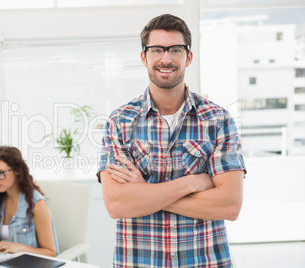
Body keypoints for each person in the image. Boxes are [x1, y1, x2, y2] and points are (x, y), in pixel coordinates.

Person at [97, 14, 246, 267]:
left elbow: (230, 205)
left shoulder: (218, 119)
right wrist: (194, 182)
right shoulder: (119, 122)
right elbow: (117, 204)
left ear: (188, 57)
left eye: (175, 50)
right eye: (157, 50)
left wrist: (144, 193)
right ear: (144, 57)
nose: (166, 59)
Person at [0, 146, 59, 257]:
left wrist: (20, 248)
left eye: (1, 173)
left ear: (17, 170)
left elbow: (51, 252)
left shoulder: (37, 205)